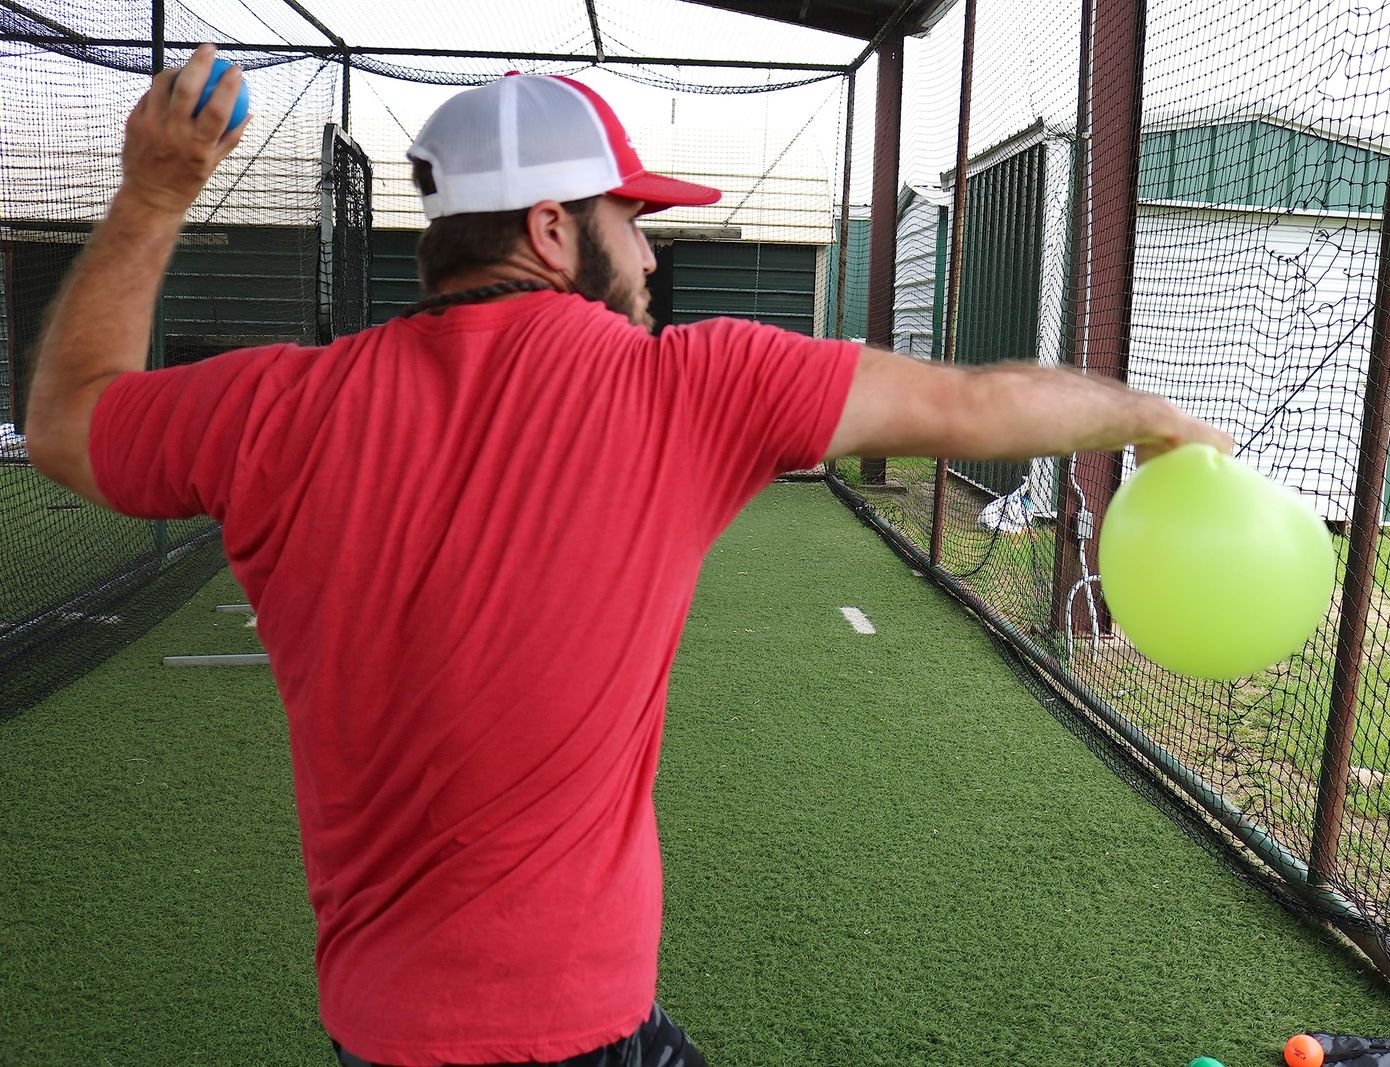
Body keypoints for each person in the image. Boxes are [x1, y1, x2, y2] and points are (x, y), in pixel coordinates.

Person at [25, 45, 1233, 1067]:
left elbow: (67, 424)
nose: (650, 257)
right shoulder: (688, 385)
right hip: (575, 1028)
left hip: (377, 1026)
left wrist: (156, 194)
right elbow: (974, 409)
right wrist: (1159, 417)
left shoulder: (272, 407)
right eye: (632, 222)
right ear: (554, 228)